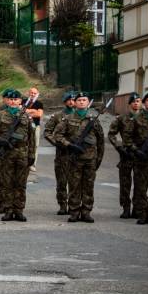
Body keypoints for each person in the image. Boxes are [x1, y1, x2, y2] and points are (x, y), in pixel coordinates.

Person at [53, 92, 104, 223]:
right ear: (75, 103)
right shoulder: (68, 119)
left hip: (90, 159)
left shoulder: (94, 119)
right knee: (74, 186)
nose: (81, 102)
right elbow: (57, 136)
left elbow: (100, 141)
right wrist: (69, 145)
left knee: (88, 186)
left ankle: (86, 212)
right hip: (74, 159)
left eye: (84, 100)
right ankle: (74, 212)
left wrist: (98, 159)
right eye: (79, 100)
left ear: (88, 103)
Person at [0, 89, 35, 222]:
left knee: (20, 183)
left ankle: (19, 210)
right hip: (5, 154)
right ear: (7, 100)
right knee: (7, 183)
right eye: (11, 99)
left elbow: (32, 137)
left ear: (20, 101)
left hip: (22, 153)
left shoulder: (25, 116)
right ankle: (8, 210)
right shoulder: (0, 115)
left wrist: (31, 154)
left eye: (16, 99)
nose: (13, 101)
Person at [108, 92, 141, 219]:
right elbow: (111, 134)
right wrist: (118, 147)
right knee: (125, 183)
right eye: (133, 101)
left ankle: (137, 208)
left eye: (138, 101)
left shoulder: (145, 117)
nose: (136, 103)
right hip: (126, 154)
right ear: (129, 104)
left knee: (140, 183)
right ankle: (126, 208)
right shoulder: (121, 118)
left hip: (140, 155)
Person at [127, 92, 148, 225]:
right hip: (142, 160)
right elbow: (128, 139)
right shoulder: (137, 119)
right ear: (144, 103)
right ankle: (142, 214)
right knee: (141, 188)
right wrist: (136, 150)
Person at [44, 91, 76, 215]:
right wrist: (57, 143)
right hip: (62, 154)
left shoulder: (81, 116)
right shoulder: (58, 116)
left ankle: (74, 205)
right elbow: (47, 132)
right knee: (62, 181)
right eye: (69, 100)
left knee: (75, 181)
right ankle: (63, 205)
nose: (72, 102)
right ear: (65, 102)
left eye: (74, 100)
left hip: (77, 154)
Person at [25, 87, 44, 172]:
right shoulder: (24, 101)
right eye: (31, 92)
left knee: (35, 145)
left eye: (34, 93)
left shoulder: (39, 103)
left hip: (35, 126)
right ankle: (25, 163)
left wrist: (27, 111)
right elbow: (20, 111)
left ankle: (33, 164)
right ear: (29, 93)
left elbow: (39, 114)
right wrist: (32, 111)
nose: (32, 94)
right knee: (25, 144)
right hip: (24, 126)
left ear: (37, 94)